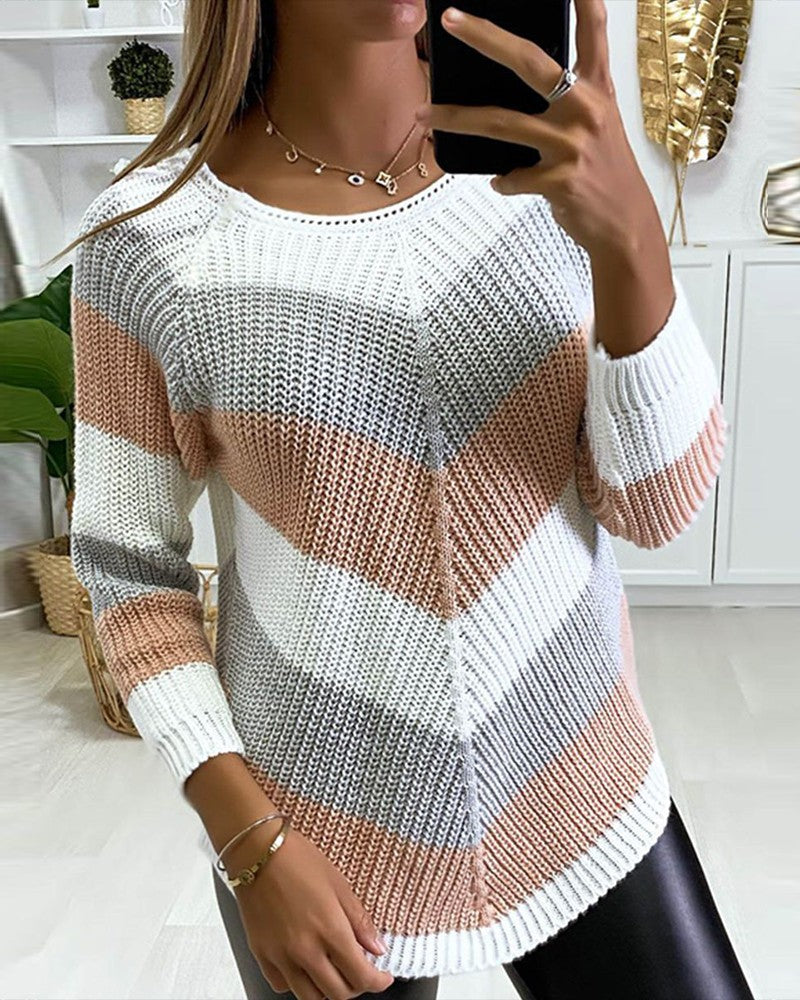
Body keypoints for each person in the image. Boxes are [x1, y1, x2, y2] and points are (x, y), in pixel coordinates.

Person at [58, 1, 755, 998]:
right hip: (312, 834)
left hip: (580, 783)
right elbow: (131, 580)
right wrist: (251, 845)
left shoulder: (552, 171)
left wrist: (632, 240)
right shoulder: (150, 239)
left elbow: (654, 507)